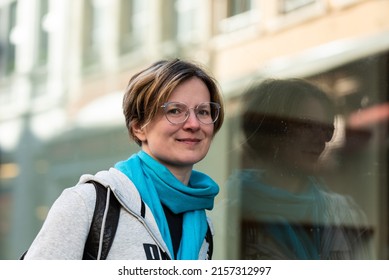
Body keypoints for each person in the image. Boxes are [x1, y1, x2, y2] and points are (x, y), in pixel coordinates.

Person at [23, 58, 224, 260]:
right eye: (175, 110)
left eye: (203, 112)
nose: (193, 124)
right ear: (139, 127)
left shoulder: (203, 225)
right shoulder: (88, 203)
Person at [226, 78, 371, 259]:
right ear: (271, 130)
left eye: (327, 129)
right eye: (306, 125)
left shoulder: (345, 214)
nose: (320, 140)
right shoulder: (226, 217)